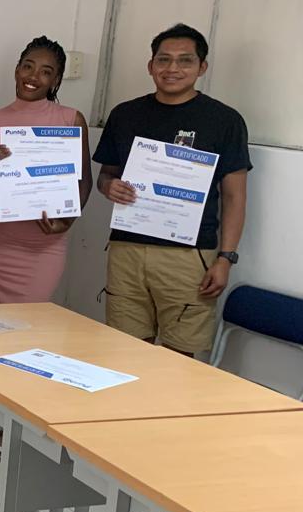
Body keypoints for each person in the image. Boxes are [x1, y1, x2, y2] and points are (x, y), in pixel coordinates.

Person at [93, 23, 250, 356]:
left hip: (188, 256)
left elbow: (235, 196)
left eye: (185, 60)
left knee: (179, 360)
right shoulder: (125, 114)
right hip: (127, 250)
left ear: (201, 67)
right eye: (163, 60)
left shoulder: (224, 120)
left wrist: (226, 258)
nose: (172, 68)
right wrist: (109, 187)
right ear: (151, 65)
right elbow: (105, 175)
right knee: (124, 352)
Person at [0, 36, 93, 302]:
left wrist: (66, 222)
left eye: (46, 72)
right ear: (17, 70)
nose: (33, 76)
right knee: (2, 318)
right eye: (28, 66)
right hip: (1, 241)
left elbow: (84, 181)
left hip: (46, 243)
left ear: (56, 80)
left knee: (33, 317)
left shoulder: (71, 119)